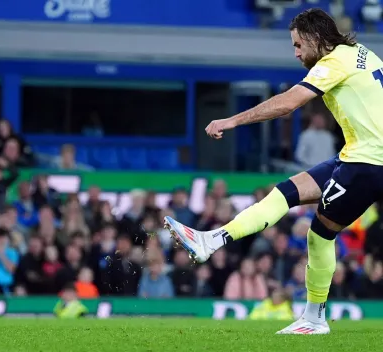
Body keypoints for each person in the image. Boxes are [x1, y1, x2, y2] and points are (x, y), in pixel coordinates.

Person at [164, 8, 383, 334]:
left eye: (297, 45)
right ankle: (211, 240)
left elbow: (287, 104)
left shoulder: (334, 62)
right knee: (285, 191)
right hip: (357, 154)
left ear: (314, 38)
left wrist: (231, 120)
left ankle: (314, 318)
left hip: (369, 163)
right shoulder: (359, 53)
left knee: (320, 233)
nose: (295, 53)